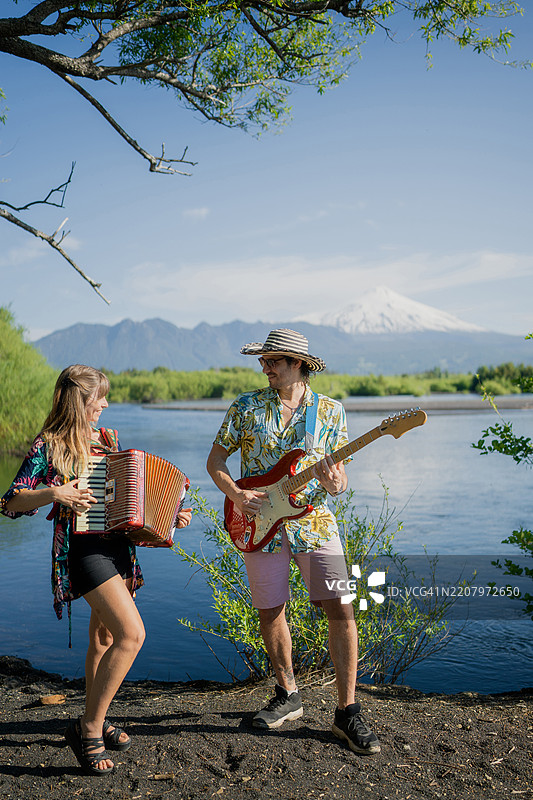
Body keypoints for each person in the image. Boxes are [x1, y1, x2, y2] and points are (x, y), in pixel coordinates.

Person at [0, 364, 192, 776]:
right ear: (78, 400)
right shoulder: (47, 445)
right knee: (132, 634)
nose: (105, 404)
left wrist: (169, 515)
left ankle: (97, 717)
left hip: (118, 549)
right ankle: (87, 727)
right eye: (98, 397)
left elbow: (129, 499)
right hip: (83, 552)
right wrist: (56, 492)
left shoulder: (108, 440)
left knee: (104, 638)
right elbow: (10, 503)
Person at [206, 329, 380, 755]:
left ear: (299, 364)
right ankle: (288, 695)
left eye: (274, 363)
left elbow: (340, 481)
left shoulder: (331, 412)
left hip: (315, 522)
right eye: (263, 362)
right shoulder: (246, 407)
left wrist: (337, 482)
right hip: (258, 523)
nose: (265, 369)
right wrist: (236, 495)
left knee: (342, 606)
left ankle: (348, 712)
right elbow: (215, 461)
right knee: (270, 609)